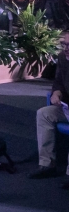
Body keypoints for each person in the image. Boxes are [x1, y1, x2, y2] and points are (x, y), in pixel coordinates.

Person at [29, 31, 69, 189]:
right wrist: (57, 93)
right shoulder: (62, 58)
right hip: (67, 108)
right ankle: (47, 165)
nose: (66, 48)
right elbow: (58, 81)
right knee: (44, 114)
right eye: (64, 44)